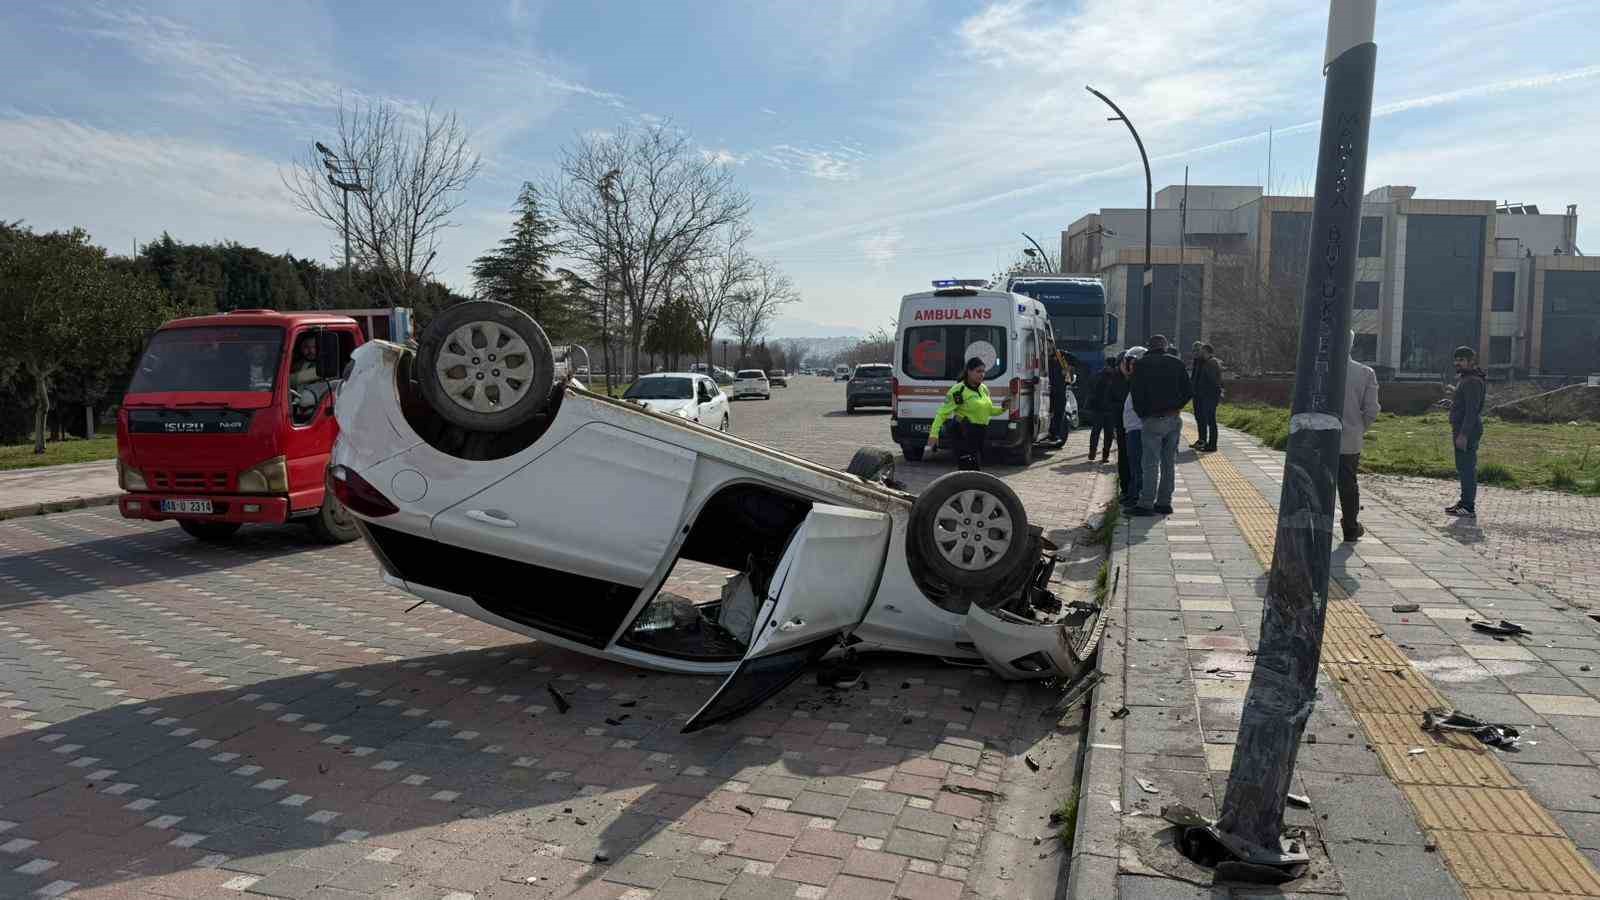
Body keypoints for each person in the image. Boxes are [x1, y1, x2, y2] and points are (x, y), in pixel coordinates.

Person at [1130, 334, 1191, 515]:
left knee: (1150, 463)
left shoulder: (1141, 365)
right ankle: (1165, 503)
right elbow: (1189, 391)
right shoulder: (1177, 364)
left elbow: (1136, 392)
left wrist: (1143, 414)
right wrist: (1177, 408)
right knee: (1168, 462)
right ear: (1165, 346)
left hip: (1152, 419)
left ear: (1149, 346)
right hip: (1173, 419)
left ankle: (1146, 503)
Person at [927, 356, 1007, 471]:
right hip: (963, 434)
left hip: (979, 434)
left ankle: (967, 487)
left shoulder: (983, 389)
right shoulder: (958, 390)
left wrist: (1003, 409)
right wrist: (934, 435)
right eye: (978, 371)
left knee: (975, 471)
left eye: (983, 371)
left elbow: (988, 411)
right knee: (969, 470)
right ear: (969, 371)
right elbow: (942, 413)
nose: (982, 375)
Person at [1340, 332, 1380, 541]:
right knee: (1348, 485)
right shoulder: (1365, 372)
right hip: (1349, 440)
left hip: (1317, 441)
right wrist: (1358, 428)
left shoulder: (1315, 370)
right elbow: (1372, 410)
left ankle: (1316, 527)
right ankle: (1350, 528)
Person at [1447, 345, 1486, 518]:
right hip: (1462, 428)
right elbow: (1465, 405)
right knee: (1463, 467)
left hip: (1467, 430)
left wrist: (1463, 435)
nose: (1457, 363)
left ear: (1471, 361)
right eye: (1456, 359)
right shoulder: (1466, 379)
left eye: (1462, 360)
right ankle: (1464, 502)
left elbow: (1472, 410)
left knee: (1467, 468)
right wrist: (1452, 404)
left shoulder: (1472, 381)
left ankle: (1468, 506)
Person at [1118, 348, 1147, 511]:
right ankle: (1132, 494)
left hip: (1137, 428)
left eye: (1129, 363)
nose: (1127, 366)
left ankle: (1136, 497)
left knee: (1138, 466)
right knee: (1134, 465)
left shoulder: (1140, 382)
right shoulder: (1135, 381)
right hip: (1132, 428)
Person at [1190, 343, 1223, 452]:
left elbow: (1214, 382)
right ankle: (1203, 441)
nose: (1198, 353)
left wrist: (1215, 395)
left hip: (1208, 396)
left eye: (1201, 351)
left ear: (1207, 352)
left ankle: (1212, 445)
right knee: (1203, 418)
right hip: (1201, 395)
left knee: (1210, 420)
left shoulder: (1211, 363)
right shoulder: (1201, 362)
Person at [1088, 356, 1117, 463]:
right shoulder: (1099, 376)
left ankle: (1105, 455)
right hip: (1099, 409)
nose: (1111, 369)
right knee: (1096, 432)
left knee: (1108, 435)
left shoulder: (1115, 377)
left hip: (1109, 410)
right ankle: (1092, 452)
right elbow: (1092, 388)